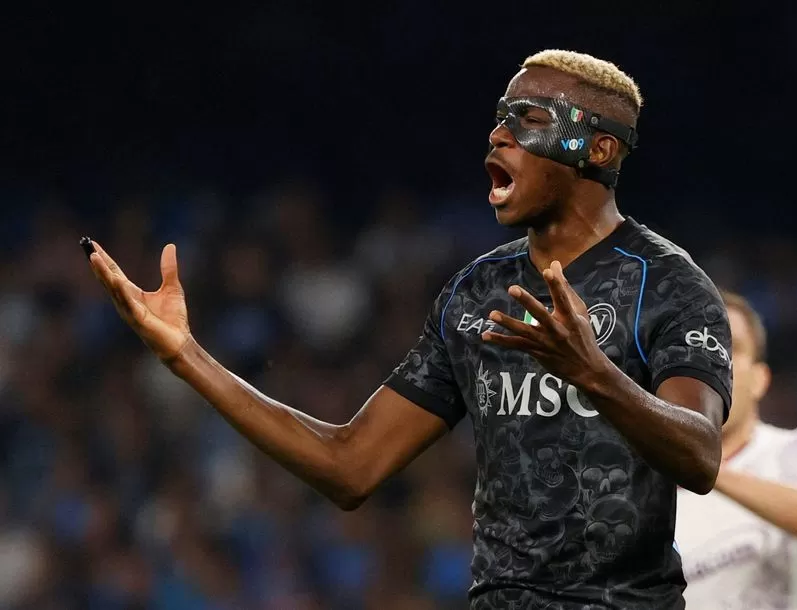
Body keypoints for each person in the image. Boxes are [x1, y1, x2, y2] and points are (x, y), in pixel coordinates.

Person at [83, 49, 733, 609]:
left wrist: (594, 373)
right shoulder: (475, 292)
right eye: (500, 117)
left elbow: (701, 456)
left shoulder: (667, 285)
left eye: (530, 119)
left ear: (599, 148)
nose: (498, 136)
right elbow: (350, 466)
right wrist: (187, 356)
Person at [675, 290, 797, 609]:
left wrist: (707, 468)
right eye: (695, 347)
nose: (712, 361)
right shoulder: (645, 493)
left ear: (760, 379)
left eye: (728, 347)